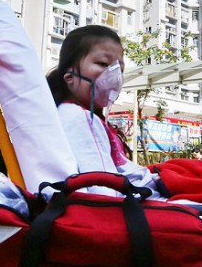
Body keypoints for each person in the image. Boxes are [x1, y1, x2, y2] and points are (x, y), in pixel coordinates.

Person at [46, 25, 157, 194]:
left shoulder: (81, 115)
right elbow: (104, 190)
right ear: (70, 76)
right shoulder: (80, 117)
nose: (114, 75)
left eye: (119, 69)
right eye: (103, 64)